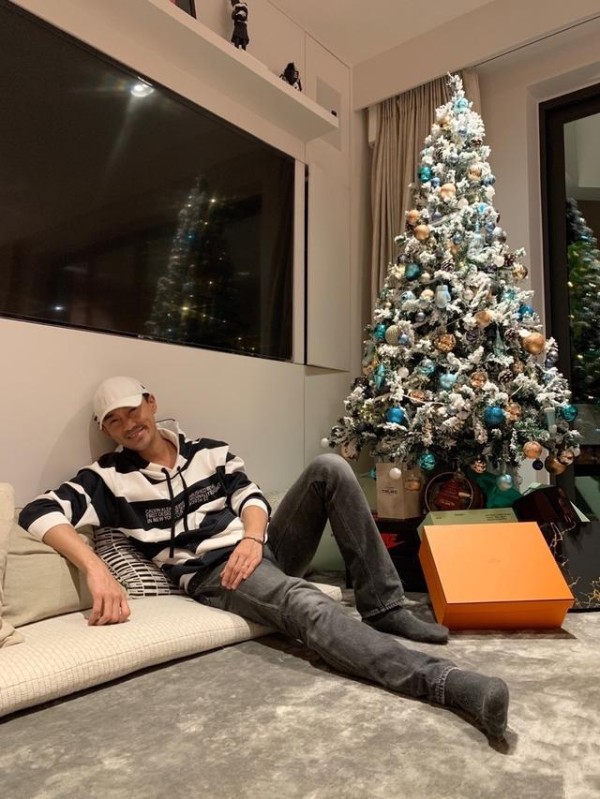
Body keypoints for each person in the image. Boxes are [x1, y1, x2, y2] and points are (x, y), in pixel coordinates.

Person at [19, 376, 509, 739]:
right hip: (215, 573)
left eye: (132, 411)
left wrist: (254, 539)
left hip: (259, 545)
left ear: (151, 402)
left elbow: (251, 498)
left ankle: (384, 606)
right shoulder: (107, 477)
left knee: (330, 467)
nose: (128, 426)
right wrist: (96, 568)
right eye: (114, 421)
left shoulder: (209, 451)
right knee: (308, 603)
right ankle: (442, 682)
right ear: (106, 429)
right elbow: (38, 512)